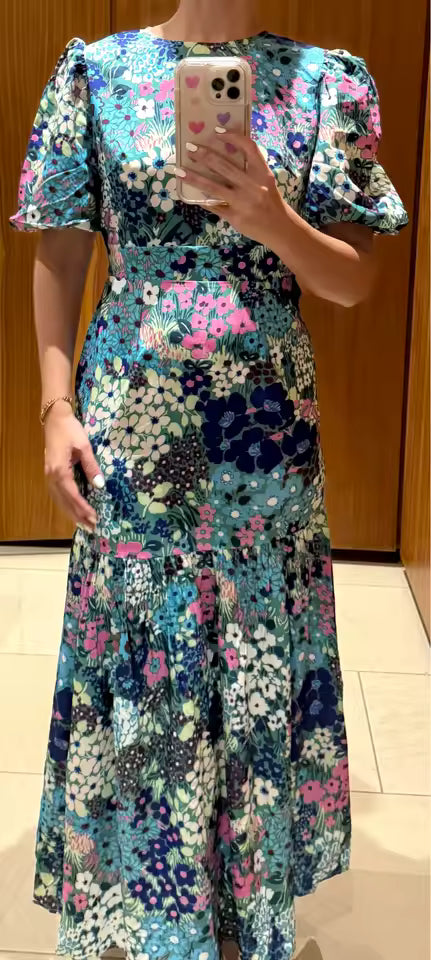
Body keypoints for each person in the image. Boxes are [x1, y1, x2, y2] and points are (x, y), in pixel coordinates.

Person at [9, 2, 408, 959]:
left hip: (264, 430)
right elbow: (60, 251)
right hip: (131, 413)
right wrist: (55, 406)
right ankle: (147, 899)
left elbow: (352, 281)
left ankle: (239, 900)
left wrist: (272, 218)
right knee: (146, 638)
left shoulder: (326, 81)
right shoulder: (95, 75)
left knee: (255, 639)